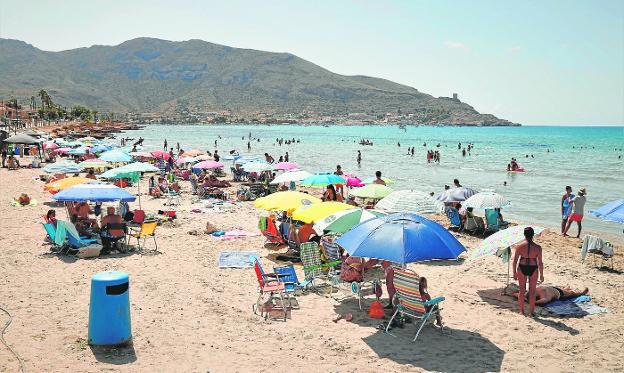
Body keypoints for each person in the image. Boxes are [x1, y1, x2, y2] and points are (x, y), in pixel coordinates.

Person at [512, 227, 544, 316]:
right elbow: (540, 263)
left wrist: (514, 272)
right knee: (532, 291)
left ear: (524, 235)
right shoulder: (538, 248)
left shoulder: (519, 246)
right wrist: (541, 275)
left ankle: (521, 311)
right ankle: (531, 312)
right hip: (533, 268)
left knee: (522, 291)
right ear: (533, 235)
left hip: (522, 267)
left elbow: (515, 261)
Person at [514, 285, 589, 306]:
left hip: (553, 288)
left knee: (565, 290)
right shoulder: (544, 297)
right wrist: (532, 302)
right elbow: (543, 301)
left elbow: (519, 295)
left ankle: (567, 288)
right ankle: (581, 293)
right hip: (559, 294)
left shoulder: (530, 292)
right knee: (572, 294)